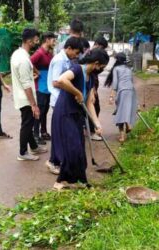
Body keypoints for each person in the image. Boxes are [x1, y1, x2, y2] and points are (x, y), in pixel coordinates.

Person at [52, 48, 109, 190]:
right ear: (96, 63)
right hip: (65, 113)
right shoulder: (77, 69)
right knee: (72, 147)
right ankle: (60, 182)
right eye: (102, 67)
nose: (101, 70)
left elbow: (89, 102)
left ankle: (81, 180)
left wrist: (97, 124)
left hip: (77, 114)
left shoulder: (92, 78)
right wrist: (77, 92)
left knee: (80, 149)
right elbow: (61, 80)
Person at [45, 37, 84, 174]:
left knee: (63, 133)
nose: (77, 55)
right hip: (58, 100)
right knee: (59, 133)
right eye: (76, 52)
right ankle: (53, 161)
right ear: (69, 48)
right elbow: (57, 82)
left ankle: (61, 160)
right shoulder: (59, 60)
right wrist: (73, 89)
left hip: (63, 100)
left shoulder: (67, 60)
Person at [11, 28, 48, 161]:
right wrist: (34, 104)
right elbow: (26, 85)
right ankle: (22, 152)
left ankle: (33, 146)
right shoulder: (23, 60)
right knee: (27, 125)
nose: (37, 42)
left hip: (23, 96)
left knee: (29, 122)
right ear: (28, 40)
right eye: (35, 39)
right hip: (26, 98)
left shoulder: (18, 54)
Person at [105, 52, 138, 143]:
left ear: (117, 60)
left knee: (120, 112)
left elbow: (115, 84)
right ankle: (128, 125)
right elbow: (131, 81)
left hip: (122, 91)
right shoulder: (129, 69)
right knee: (127, 110)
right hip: (131, 90)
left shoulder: (116, 69)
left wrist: (111, 96)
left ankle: (122, 137)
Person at [30, 31, 56, 145]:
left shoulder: (49, 53)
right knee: (39, 111)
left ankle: (43, 132)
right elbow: (29, 63)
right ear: (47, 40)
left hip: (47, 86)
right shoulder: (39, 53)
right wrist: (36, 72)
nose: (54, 42)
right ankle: (35, 135)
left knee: (45, 110)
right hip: (40, 86)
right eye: (53, 40)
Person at [88, 36, 108, 141]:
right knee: (95, 107)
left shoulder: (94, 54)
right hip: (90, 85)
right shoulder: (91, 55)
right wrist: (92, 89)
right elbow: (91, 73)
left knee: (94, 107)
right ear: (97, 45)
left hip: (93, 84)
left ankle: (89, 128)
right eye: (102, 47)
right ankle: (91, 131)